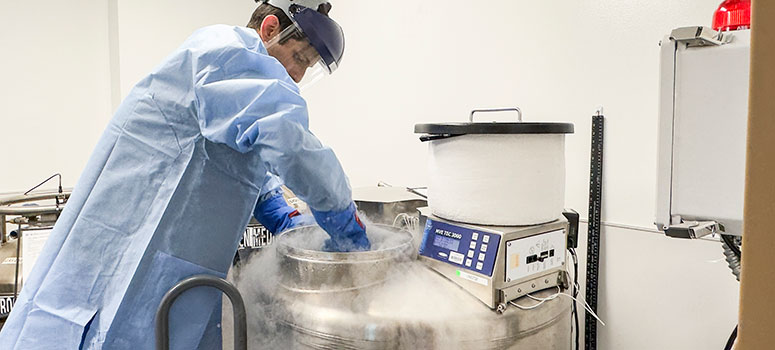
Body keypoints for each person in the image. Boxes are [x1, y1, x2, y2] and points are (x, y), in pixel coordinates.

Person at [0, 0, 369, 349]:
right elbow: (287, 140)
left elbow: (231, 153)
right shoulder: (228, 52)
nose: (299, 73)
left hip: (174, 268)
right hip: (123, 261)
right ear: (271, 28)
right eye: (299, 57)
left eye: (309, 66)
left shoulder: (237, 74)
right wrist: (341, 216)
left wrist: (273, 202)